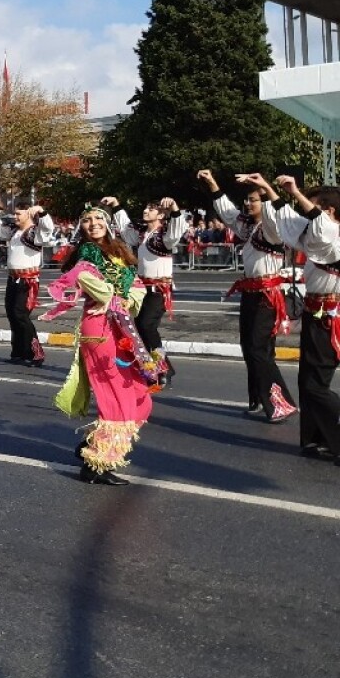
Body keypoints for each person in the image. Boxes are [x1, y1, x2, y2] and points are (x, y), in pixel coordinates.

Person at [44, 206, 158, 485]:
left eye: (98, 219)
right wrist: (112, 298)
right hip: (100, 327)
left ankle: (91, 447)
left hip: (122, 327)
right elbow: (86, 280)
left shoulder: (119, 252)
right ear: (81, 227)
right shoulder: (87, 253)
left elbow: (138, 289)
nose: (93, 223)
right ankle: (96, 466)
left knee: (139, 393)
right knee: (116, 393)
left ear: (108, 224)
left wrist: (124, 300)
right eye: (86, 220)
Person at [200, 170, 297, 422]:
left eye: (253, 199)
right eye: (248, 199)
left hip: (268, 295)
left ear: (264, 203)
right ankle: (257, 398)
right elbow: (228, 211)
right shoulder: (248, 227)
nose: (247, 203)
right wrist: (212, 183)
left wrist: (265, 186)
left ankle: (280, 402)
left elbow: (274, 212)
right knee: (250, 347)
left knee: (258, 348)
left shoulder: (273, 229)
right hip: (250, 293)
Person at [260, 175, 340, 461]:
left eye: (315, 208)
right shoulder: (320, 235)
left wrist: (294, 191)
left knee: (315, 386)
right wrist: (271, 190)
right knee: (308, 380)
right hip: (315, 314)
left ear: (329, 212)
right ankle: (315, 439)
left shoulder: (332, 237)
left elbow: (318, 226)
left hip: (330, 319)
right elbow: (291, 220)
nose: (308, 214)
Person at [103, 194, 187, 385]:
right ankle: (155, 366)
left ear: (161, 215)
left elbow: (176, 230)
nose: (145, 211)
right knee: (140, 327)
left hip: (158, 289)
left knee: (147, 325)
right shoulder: (142, 234)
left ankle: (163, 366)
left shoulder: (165, 236)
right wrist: (116, 205)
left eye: (151, 209)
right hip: (142, 288)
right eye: (146, 208)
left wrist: (174, 208)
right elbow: (125, 230)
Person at [0, 203, 54, 366]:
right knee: (12, 315)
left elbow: (47, 230)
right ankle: (19, 352)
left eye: (18, 214)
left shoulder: (34, 233)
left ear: (29, 215)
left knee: (20, 315)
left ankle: (36, 353)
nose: (15, 217)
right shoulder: (15, 231)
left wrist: (42, 213)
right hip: (12, 279)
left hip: (27, 281)